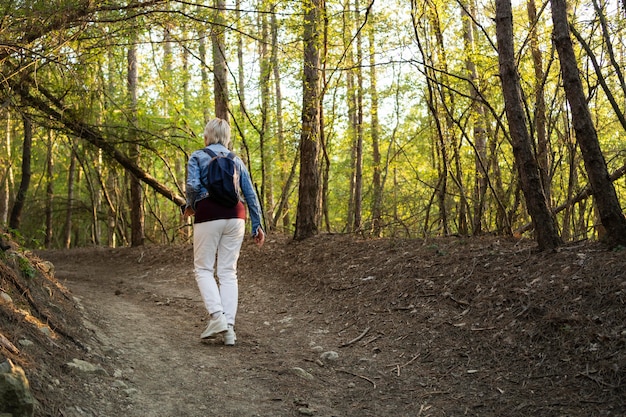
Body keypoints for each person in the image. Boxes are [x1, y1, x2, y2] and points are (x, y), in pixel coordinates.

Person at [183, 117, 265, 346]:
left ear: (206, 136)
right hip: (236, 215)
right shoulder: (236, 159)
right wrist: (257, 225)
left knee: (203, 268)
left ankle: (217, 317)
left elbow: (193, 186)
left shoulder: (198, 156)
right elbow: (250, 194)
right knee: (228, 272)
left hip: (209, 213)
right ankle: (229, 329)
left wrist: (192, 205)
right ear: (227, 138)